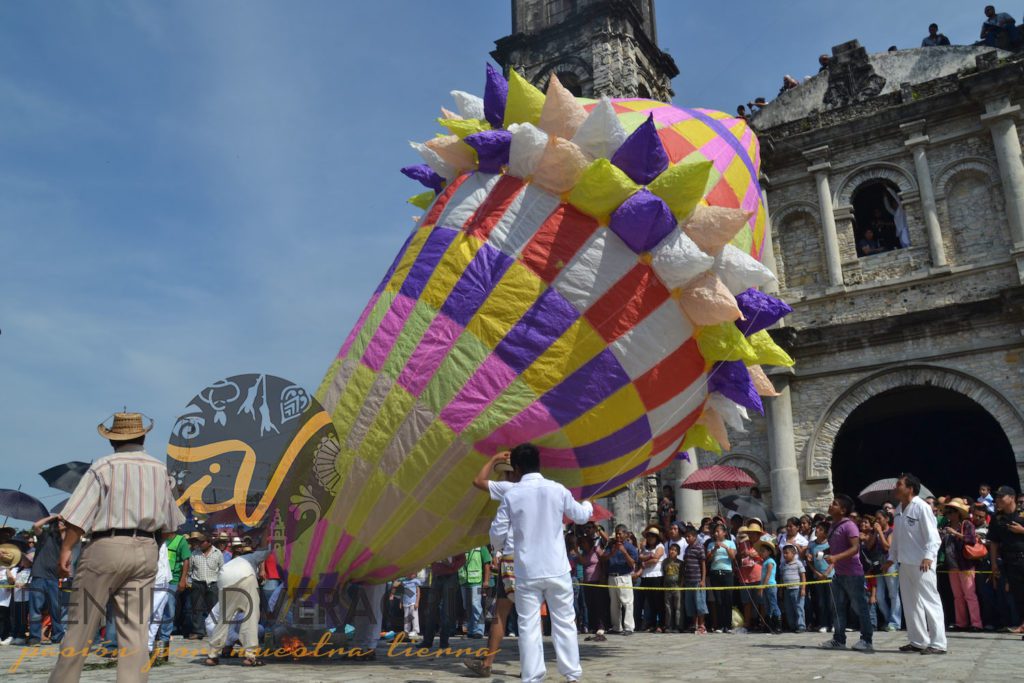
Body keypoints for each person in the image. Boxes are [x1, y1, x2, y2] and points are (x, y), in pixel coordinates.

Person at [48, 411, 185, 683]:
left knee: (82, 626)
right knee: (134, 633)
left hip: (106, 547)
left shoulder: (103, 467)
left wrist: (66, 550)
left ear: (112, 440)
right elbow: (170, 527)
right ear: (143, 436)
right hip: (146, 548)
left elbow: (78, 516)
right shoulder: (160, 470)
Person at [490, 443, 592, 683]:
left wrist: (497, 549)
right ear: (539, 464)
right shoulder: (557, 489)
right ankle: (571, 674)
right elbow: (580, 515)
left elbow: (497, 531)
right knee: (565, 621)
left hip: (527, 569)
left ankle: (533, 676)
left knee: (528, 625)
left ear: (516, 468)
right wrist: (587, 504)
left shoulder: (512, 494)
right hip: (557, 568)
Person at [883, 473, 947, 654]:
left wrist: (928, 556)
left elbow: (933, 537)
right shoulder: (898, 509)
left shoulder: (922, 507)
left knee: (930, 601)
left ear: (910, 489)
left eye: (899, 485)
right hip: (905, 563)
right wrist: (891, 558)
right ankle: (918, 640)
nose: (895, 488)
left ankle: (938, 643)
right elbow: (897, 539)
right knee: (911, 603)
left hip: (922, 563)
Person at [466, 452, 517, 677]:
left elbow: (478, 481)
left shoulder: (510, 489)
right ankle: (534, 666)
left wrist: (492, 458)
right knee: (529, 614)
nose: (502, 476)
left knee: (500, 614)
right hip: (535, 562)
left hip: (511, 560)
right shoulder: (543, 490)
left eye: (504, 472)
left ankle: (487, 663)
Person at [821, 494, 873, 652]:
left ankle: (866, 640)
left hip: (853, 574)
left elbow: (854, 548)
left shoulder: (849, 525)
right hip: (839, 574)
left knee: (860, 607)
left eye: (835, 504)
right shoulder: (832, 525)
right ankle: (839, 639)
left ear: (843, 510)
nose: (831, 505)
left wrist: (835, 557)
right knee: (837, 607)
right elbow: (837, 547)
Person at [203, 549, 263, 666]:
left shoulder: (230, 564)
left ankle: (212, 655)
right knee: (251, 616)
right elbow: (270, 550)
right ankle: (250, 656)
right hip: (246, 577)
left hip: (225, 579)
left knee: (223, 619)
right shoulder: (254, 556)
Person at [988, 485, 1024, 635]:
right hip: (1010, 561)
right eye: (997, 497)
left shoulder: (1022, 514)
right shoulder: (997, 518)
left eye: (1001, 497)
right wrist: (994, 564)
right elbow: (994, 542)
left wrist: (1022, 531)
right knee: (1018, 594)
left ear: (1012, 498)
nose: (998, 500)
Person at [941, 499, 982, 631]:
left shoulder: (966, 524)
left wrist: (955, 533)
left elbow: (971, 539)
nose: (948, 514)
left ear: (958, 513)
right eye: (947, 512)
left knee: (970, 595)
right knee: (957, 596)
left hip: (965, 564)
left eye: (951, 512)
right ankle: (961, 623)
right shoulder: (945, 526)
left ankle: (976, 623)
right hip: (952, 565)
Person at [27, 514, 66, 645]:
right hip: (39, 575)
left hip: (54, 577)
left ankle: (58, 636)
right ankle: (34, 637)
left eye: (64, 522)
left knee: (55, 609)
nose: (62, 524)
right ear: (54, 524)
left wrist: (65, 529)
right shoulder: (45, 535)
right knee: (36, 608)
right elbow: (36, 525)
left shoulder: (65, 541)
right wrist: (53, 517)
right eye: (60, 522)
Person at [187, 532, 223, 639]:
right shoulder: (194, 553)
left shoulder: (218, 553)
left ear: (209, 543)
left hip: (213, 583)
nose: (200, 544)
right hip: (198, 583)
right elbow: (190, 569)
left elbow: (222, 569)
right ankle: (198, 632)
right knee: (197, 609)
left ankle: (214, 630)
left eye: (202, 542)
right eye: (199, 542)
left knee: (213, 609)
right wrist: (189, 582)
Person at [604, 524, 638, 635]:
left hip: (624, 576)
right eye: (616, 533)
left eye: (620, 533)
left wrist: (624, 551)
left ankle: (628, 627)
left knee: (627, 602)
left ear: (625, 534)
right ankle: (616, 627)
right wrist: (613, 552)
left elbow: (632, 563)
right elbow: (604, 558)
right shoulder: (611, 545)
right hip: (612, 576)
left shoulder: (629, 547)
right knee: (614, 603)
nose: (618, 535)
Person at [873, 510, 902, 631]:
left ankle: (895, 622)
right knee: (879, 597)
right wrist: (875, 534)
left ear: (887, 519)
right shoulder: (876, 532)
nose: (877, 521)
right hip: (879, 565)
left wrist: (880, 532)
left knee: (893, 594)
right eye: (876, 519)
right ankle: (887, 618)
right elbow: (870, 545)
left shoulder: (891, 531)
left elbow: (888, 547)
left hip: (890, 564)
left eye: (879, 519)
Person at [705, 523, 736, 633]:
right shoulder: (711, 544)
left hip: (727, 572)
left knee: (728, 599)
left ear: (724, 533)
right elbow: (707, 559)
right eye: (715, 531)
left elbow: (733, 557)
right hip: (715, 573)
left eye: (718, 531)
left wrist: (726, 547)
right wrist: (714, 550)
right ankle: (719, 625)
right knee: (718, 600)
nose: (716, 533)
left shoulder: (730, 543)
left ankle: (727, 625)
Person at [805, 522, 833, 633]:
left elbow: (834, 560)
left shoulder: (830, 544)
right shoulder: (811, 544)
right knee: (821, 602)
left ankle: (834, 623)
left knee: (832, 602)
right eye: (817, 528)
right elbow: (809, 561)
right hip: (818, 577)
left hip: (830, 576)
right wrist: (816, 573)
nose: (817, 530)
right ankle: (824, 624)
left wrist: (827, 572)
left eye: (820, 529)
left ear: (826, 533)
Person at [459, 546, 492, 639]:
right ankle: (471, 629)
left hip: (476, 581)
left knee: (475, 604)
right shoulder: (462, 546)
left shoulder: (481, 547)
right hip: (463, 581)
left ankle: (479, 630)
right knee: (467, 606)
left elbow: (487, 564)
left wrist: (486, 581)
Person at [680, 526, 707, 634]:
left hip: (697, 580)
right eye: (685, 536)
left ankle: (702, 625)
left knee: (700, 603)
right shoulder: (687, 549)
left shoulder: (700, 547)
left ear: (695, 537)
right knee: (690, 603)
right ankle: (694, 624)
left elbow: (703, 564)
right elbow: (685, 565)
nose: (687, 538)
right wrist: (683, 580)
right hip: (688, 580)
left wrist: (703, 580)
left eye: (689, 536)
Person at [638, 525, 665, 632]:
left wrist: (644, 562)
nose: (650, 538)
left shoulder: (660, 546)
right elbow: (640, 557)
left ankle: (661, 624)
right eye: (649, 536)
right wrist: (648, 557)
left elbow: (655, 559)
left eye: (653, 536)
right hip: (646, 576)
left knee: (659, 602)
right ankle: (652, 624)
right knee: (650, 602)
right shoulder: (645, 548)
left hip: (657, 576)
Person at [779, 544, 806, 632]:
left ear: (793, 553)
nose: (785, 555)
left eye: (787, 553)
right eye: (784, 553)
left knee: (798, 608)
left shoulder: (798, 563)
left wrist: (803, 589)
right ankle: (792, 626)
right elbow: (781, 578)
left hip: (797, 589)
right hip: (787, 589)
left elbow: (803, 576)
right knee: (788, 608)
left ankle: (801, 626)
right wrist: (781, 590)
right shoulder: (783, 564)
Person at [756, 541, 781, 632]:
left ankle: (778, 625)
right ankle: (769, 625)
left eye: (763, 551)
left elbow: (768, 575)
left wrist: (762, 587)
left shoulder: (770, 561)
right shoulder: (764, 562)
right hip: (765, 585)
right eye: (761, 551)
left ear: (769, 552)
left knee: (773, 604)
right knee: (767, 606)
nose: (761, 553)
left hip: (770, 585)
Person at [661, 543, 684, 632]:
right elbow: (664, 573)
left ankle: (678, 626)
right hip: (667, 588)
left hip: (677, 588)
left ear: (678, 552)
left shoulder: (680, 563)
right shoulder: (665, 562)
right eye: (671, 549)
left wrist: (681, 586)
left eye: (674, 550)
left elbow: (682, 575)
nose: (672, 551)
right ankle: (668, 626)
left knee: (678, 608)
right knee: (668, 608)